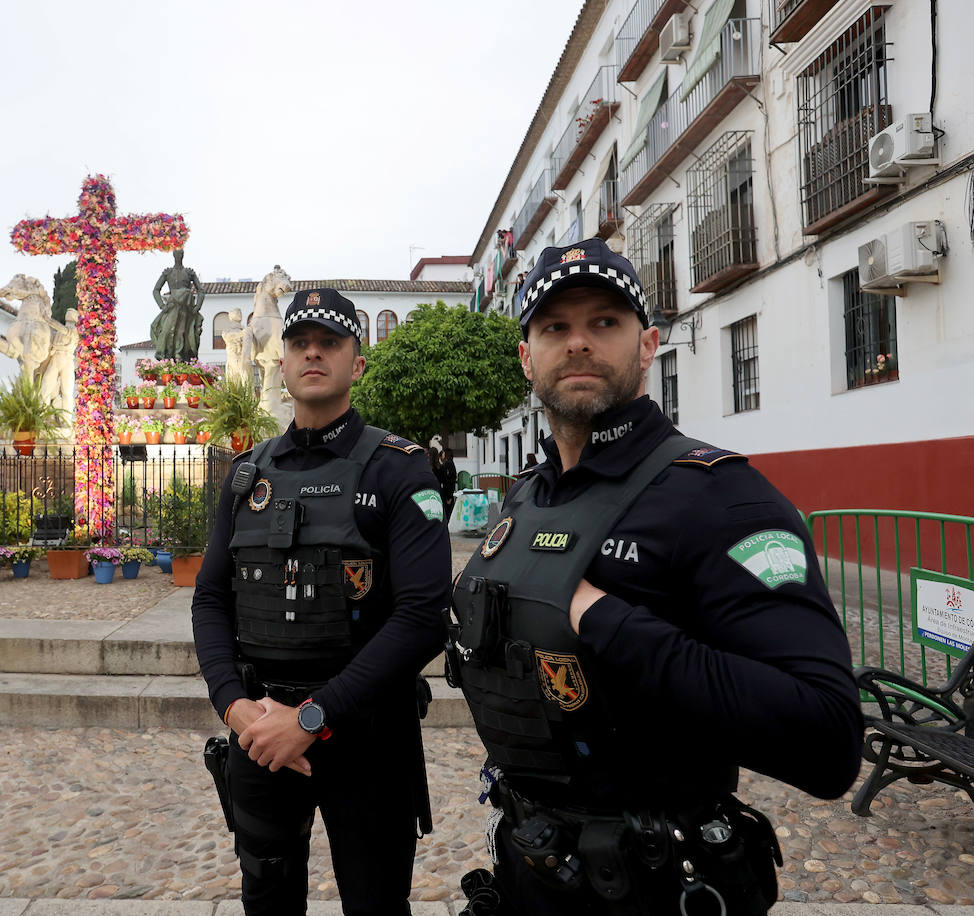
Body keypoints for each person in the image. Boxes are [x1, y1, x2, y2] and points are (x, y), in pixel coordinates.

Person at [449, 239, 862, 915]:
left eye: (604, 322)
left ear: (649, 345)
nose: (578, 343)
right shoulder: (526, 496)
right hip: (533, 865)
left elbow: (828, 740)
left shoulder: (725, 498)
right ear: (527, 358)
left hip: (654, 880)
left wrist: (605, 619)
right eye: (555, 327)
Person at [192, 287, 452, 916]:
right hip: (260, 734)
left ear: (356, 363)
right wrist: (232, 705)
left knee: (376, 902)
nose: (314, 353)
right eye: (300, 343)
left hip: (365, 734)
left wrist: (310, 717)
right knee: (268, 897)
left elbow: (423, 619)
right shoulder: (247, 474)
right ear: (280, 363)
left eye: (331, 342)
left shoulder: (399, 468)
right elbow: (209, 599)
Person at [150, 248, 206, 362]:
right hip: (172, 307)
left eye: (180, 253)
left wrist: (197, 306)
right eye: (176, 253)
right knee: (166, 331)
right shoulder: (168, 272)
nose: (178, 255)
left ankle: (179, 355)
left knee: (181, 332)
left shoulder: (189, 273)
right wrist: (162, 306)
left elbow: (201, 290)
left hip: (186, 308)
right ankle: (166, 355)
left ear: (183, 255)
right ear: (173, 255)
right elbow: (156, 290)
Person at [429, 443, 458, 524]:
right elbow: (446, 481)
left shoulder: (426, 468)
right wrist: (449, 496)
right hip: (439, 492)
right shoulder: (441, 467)